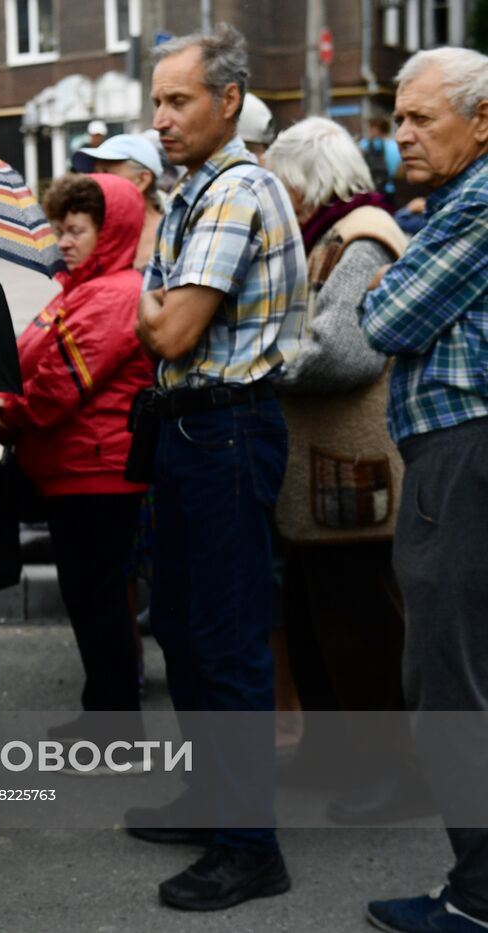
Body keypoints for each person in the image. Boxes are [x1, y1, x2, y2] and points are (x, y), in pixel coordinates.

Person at [129, 24, 307, 911]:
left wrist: (151, 296)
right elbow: (147, 307)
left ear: (227, 101)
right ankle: (213, 802)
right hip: (194, 433)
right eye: (156, 100)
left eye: (178, 100)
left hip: (227, 431)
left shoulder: (237, 190)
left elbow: (165, 329)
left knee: (229, 641)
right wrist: (150, 291)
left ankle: (249, 845)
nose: (160, 117)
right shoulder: (197, 190)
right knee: (187, 631)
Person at [262, 116, 427, 826]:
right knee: (316, 623)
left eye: (285, 182)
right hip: (326, 473)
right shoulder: (337, 233)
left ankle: (395, 774)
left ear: (308, 179)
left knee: (361, 631)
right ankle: (336, 757)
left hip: (351, 475)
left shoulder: (360, 238)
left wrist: (257, 356)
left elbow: (343, 354)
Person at [360, 47, 488, 933]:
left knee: (449, 677)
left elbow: (384, 317)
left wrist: (384, 280)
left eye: (421, 118)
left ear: (482, 120)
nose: (401, 132)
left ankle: (478, 897)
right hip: (458, 451)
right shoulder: (454, 203)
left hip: (461, 452)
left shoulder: (478, 202)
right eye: (398, 117)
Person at [0, 173, 152, 758]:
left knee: (99, 600)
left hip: (97, 471)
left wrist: (9, 410)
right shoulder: (79, 289)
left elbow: (58, 387)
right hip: (74, 469)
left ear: (112, 232)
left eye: (78, 229)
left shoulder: (113, 293)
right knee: (90, 599)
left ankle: (117, 729)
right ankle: (103, 714)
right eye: (61, 228)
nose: (65, 240)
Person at [72, 132, 166, 268]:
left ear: (142, 180)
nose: (97, 181)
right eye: (95, 173)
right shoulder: (93, 233)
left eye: (107, 173)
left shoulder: (173, 234)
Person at [359, 115, 402, 198]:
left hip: (373, 189)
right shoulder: (396, 146)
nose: (369, 130)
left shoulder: (366, 144)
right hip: (393, 188)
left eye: (371, 128)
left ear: (377, 128)